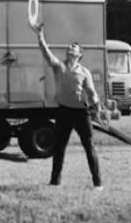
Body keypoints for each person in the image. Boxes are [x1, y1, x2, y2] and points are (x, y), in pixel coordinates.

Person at [32, 23, 103, 190]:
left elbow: (91, 92)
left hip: (81, 113)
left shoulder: (84, 72)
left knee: (89, 147)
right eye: (70, 46)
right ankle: (55, 182)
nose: (71, 47)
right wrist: (40, 35)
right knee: (59, 147)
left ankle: (97, 183)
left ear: (79, 54)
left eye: (74, 47)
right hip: (63, 112)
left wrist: (96, 105)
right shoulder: (59, 66)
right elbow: (46, 53)